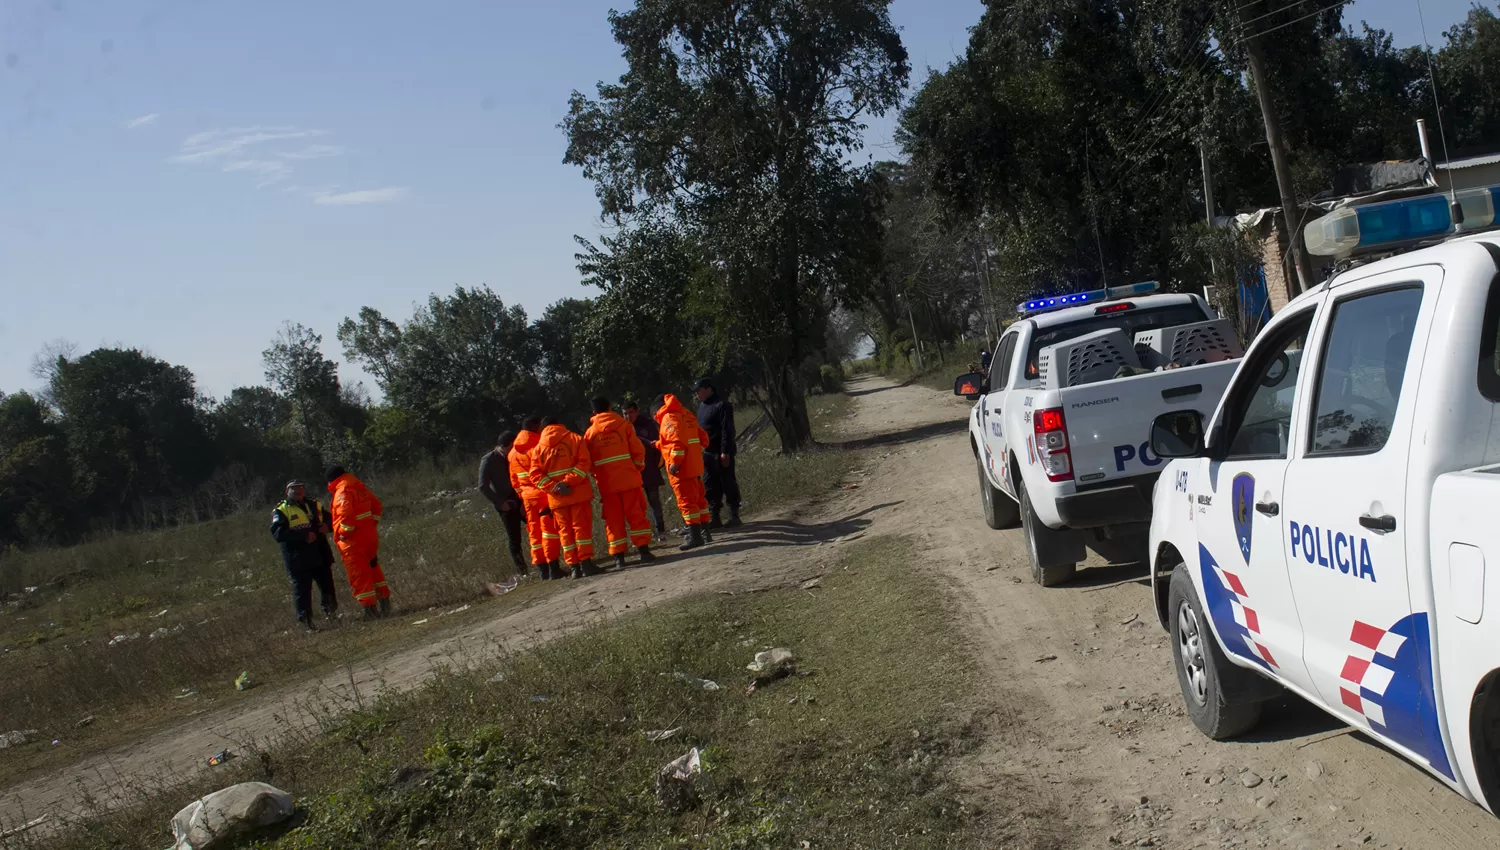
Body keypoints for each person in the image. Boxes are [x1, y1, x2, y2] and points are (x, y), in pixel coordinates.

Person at [584, 397, 657, 570]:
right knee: (636, 515)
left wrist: (598, 475)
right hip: (629, 480)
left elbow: (588, 461)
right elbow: (638, 450)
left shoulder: (590, 434)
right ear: (610, 407)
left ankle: (619, 558)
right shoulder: (624, 426)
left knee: (613, 521)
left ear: (594, 412)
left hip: (607, 485)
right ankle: (644, 552)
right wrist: (637, 468)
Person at [532, 416, 600, 578]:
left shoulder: (538, 448)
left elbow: (535, 475)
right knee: (580, 529)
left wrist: (553, 487)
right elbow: (584, 463)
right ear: (559, 424)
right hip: (578, 494)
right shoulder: (575, 439)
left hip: (557, 499)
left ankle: (574, 567)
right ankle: (586, 565)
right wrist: (568, 482)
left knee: (565, 532)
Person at [270, 479, 339, 630]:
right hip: (298, 559)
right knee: (302, 592)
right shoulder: (281, 510)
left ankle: (332, 614)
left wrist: (327, 526)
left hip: (320, 554)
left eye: (300, 487)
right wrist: (303, 536)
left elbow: (331, 518)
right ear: (287, 492)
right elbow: (278, 533)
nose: (298, 491)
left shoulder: (315, 504)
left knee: (327, 586)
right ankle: (307, 623)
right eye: (293, 489)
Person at [327, 465, 391, 618]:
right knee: (374, 570)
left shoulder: (342, 491)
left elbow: (346, 515)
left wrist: (343, 532)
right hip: (369, 538)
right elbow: (376, 505)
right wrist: (370, 524)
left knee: (359, 574)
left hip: (353, 542)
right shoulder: (358, 486)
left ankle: (370, 611)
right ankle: (385, 604)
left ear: (332, 480)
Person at [653, 393, 713, 550]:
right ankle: (706, 533)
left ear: (657, 410)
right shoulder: (686, 414)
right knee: (700, 501)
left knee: (687, 503)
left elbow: (677, 442)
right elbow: (703, 438)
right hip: (695, 466)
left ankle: (695, 537)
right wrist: (659, 444)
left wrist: (675, 463)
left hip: (682, 469)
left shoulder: (669, 418)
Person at [510, 418, 563, 580]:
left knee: (534, 534)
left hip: (527, 499)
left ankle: (543, 570)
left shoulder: (513, 453)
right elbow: (546, 471)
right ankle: (554, 567)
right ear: (535, 428)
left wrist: (523, 495)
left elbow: (515, 481)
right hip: (542, 497)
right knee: (549, 533)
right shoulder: (538, 448)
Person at [693, 377, 741, 528]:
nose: (697, 395)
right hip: (707, 453)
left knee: (728, 483)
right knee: (710, 485)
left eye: (699, 391)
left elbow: (727, 430)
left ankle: (734, 515)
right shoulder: (702, 407)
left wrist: (725, 451)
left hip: (721, 452)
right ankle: (715, 517)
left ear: (708, 389)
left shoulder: (722, 405)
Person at [479, 431, 528, 578]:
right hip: (506, 504)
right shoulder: (489, 460)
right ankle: (523, 572)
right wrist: (501, 503)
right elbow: (483, 486)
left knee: (538, 528)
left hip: (522, 499)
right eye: (510, 448)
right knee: (514, 539)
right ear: (503, 446)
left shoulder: (517, 455)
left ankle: (548, 563)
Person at [624, 399, 667, 539]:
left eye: (630, 413)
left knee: (654, 502)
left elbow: (657, 445)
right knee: (636, 506)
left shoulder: (647, 425)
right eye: (624, 414)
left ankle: (661, 531)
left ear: (636, 411)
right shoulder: (622, 428)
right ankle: (644, 535)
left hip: (649, 470)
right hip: (632, 473)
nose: (627, 416)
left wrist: (658, 464)